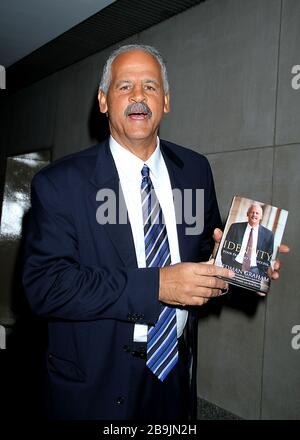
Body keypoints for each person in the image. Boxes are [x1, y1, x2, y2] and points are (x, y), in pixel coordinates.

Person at [22, 44, 287, 420]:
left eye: (150, 86)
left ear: (165, 101)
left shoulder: (195, 169)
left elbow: (201, 260)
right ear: (102, 101)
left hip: (174, 375)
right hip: (94, 386)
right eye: (124, 86)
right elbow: (45, 287)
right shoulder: (59, 184)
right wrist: (157, 286)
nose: (137, 96)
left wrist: (239, 264)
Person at [221, 203, 274, 277]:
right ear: (247, 214)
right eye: (252, 212)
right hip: (233, 267)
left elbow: (268, 256)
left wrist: (261, 272)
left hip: (255, 272)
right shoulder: (235, 227)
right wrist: (227, 264)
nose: (254, 215)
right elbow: (226, 247)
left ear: (261, 216)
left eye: (257, 213)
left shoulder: (268, 235)